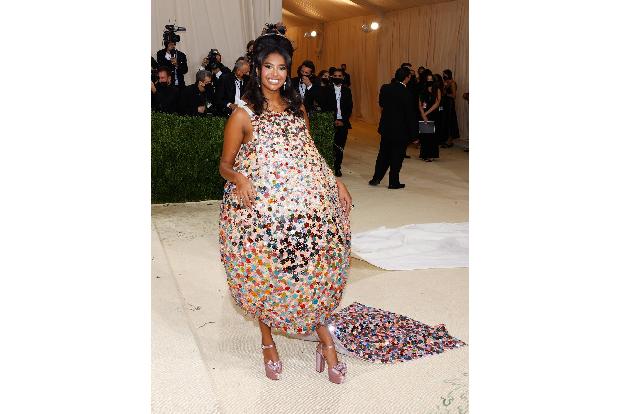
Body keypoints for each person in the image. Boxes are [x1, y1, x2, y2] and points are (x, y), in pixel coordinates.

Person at [218, 23, 352, 384]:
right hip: (259, 215)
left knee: (310, 271)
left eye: (281, 68)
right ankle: (267, 341)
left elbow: (310, 153)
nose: (275, 75)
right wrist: (240, 178)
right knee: (265, 274)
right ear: (257, 69)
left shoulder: (297, 108)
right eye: (268, 67)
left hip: (302, 210)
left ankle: (324, 340)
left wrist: (335, 180)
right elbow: (225, 165)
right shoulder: (243, 114)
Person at [369, 67, 417, 189]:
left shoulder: (385, 88)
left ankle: (376, 178)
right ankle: (393, 182)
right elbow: (410, 116)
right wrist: (414, 135)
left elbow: (381, 104)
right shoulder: (407, 93)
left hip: (386, 128)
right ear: (407, 78)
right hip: (401, 131)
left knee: (383, 155)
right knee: (397, 156)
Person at [319, 68, 353, 177]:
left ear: (343, 77)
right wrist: (332, 120)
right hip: (330, 122)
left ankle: (337, 167)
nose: (337, 78)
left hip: (343, 123)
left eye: (340, 76)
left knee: (340, 147)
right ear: (332, 76)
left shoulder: (347, 90)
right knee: (329, 146)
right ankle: (328, 168)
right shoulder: (326, 90)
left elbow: (349, 108)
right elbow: (324, 106)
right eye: (335, 76)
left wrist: (343, 121)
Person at [418, 70, 442, 162]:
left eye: (431, 79)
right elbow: (419, 103)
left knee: (431, 136)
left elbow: (437, 103)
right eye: (428, 79)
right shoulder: (423, 90)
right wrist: (422, 114)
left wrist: (426, 113)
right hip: (424, 114)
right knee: (425, 135)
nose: (429, 81)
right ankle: (424, 154)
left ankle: (431, 155)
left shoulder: (437, 89)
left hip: (432, 114)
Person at [440, 69, 460, 147]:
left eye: (444, 74)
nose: (443, 76)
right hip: (445, 104)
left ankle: (449, 141)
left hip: (450, 104)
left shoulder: (452, 83)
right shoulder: (445, 82)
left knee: (450, 121)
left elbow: (454, 96)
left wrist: (445, 94)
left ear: (448, 75)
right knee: (445, 121)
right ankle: (445, 139)